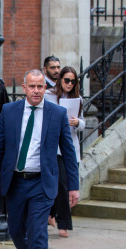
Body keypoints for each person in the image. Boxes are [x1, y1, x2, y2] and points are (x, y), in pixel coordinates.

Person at [0, 69, 79, 249]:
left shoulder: (57, 114)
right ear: (24, 88)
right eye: (32, 86)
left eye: (41, 87)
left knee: (38, 234)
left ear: (45, 89)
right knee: (16, 230)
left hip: (42, 183)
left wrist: (73, 187)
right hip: (15, 182)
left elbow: (69, 153)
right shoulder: (9, 111)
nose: (37, 91)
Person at [45, 66, 85, 237]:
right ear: (60, 79)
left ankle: (51, 214)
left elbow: (83, 123)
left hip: (71, 146)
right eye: (67, 80)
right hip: (55, 147)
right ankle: (63, 224)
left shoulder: (78, 99)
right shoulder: (50, 96)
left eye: (73, 81)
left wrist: (77, 123)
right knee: (61, 184)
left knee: (66, 183)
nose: (69, 84)